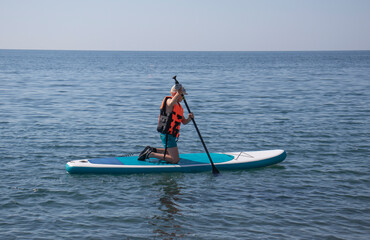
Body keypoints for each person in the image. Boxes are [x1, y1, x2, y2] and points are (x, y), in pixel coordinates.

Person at [138, 84, 194, 163]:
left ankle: (152, 150)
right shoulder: (169, 101)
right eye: (182, 95)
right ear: (176, 94)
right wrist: (178, 93)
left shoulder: (179, 107)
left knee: (170, 152)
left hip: (171, 135)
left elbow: (184, 122)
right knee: (175, 160)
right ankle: (150, 154)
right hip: (167, 134)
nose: (183, 98)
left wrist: (190, 118)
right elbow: (171, 103)